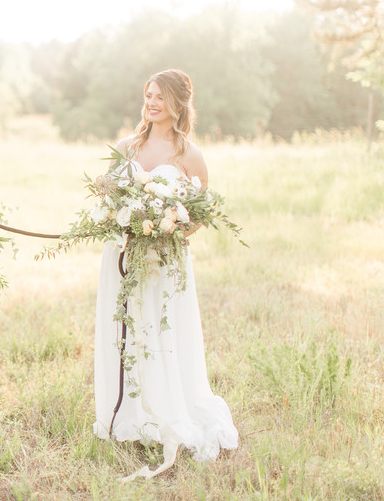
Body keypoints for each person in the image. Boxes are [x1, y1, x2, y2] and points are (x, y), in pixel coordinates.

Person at [93, 69, 238, 481]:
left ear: (177, 102)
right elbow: (108, 198)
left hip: (166, 262)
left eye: (159, 96)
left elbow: (199, 216)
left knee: (163, 332)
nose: (151, 102)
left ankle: (168, 409)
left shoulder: (190, 156)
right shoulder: (126, 146)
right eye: (147, 95)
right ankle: (129, 415)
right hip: (122, 258)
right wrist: (116, 207)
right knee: (127, 331)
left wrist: (167, 228)